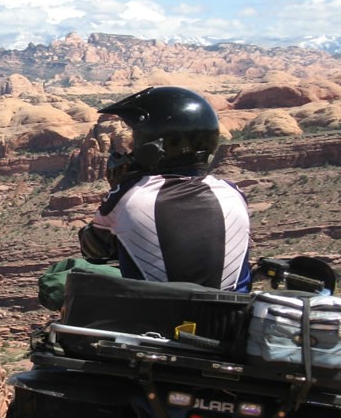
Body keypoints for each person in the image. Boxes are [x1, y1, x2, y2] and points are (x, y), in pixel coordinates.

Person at [78, 86, 251, 292]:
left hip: (155, 320)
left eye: (136, 141)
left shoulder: (128, 195)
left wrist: (121, 185)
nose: (129, 150)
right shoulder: (233, 193)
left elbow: (93, 250)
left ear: (153, 147)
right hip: (230, 319)